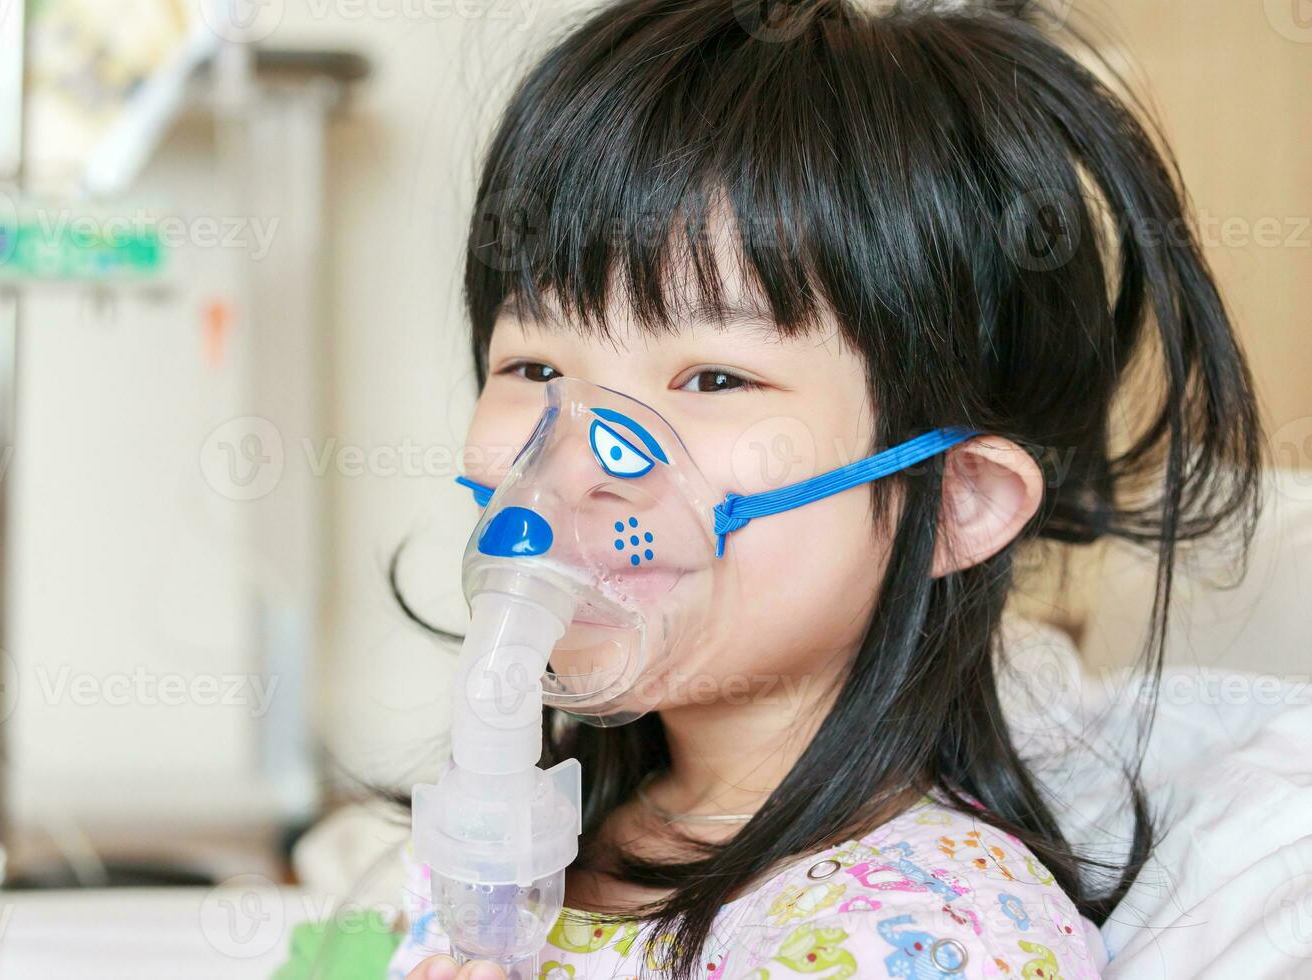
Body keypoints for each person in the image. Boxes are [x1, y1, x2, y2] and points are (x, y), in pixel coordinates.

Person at [392, 1, 1262, 976]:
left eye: (714, 378)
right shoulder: (477, 870)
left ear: (956, 497)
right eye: (534, 369)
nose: (580, 458)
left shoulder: (931, 930)